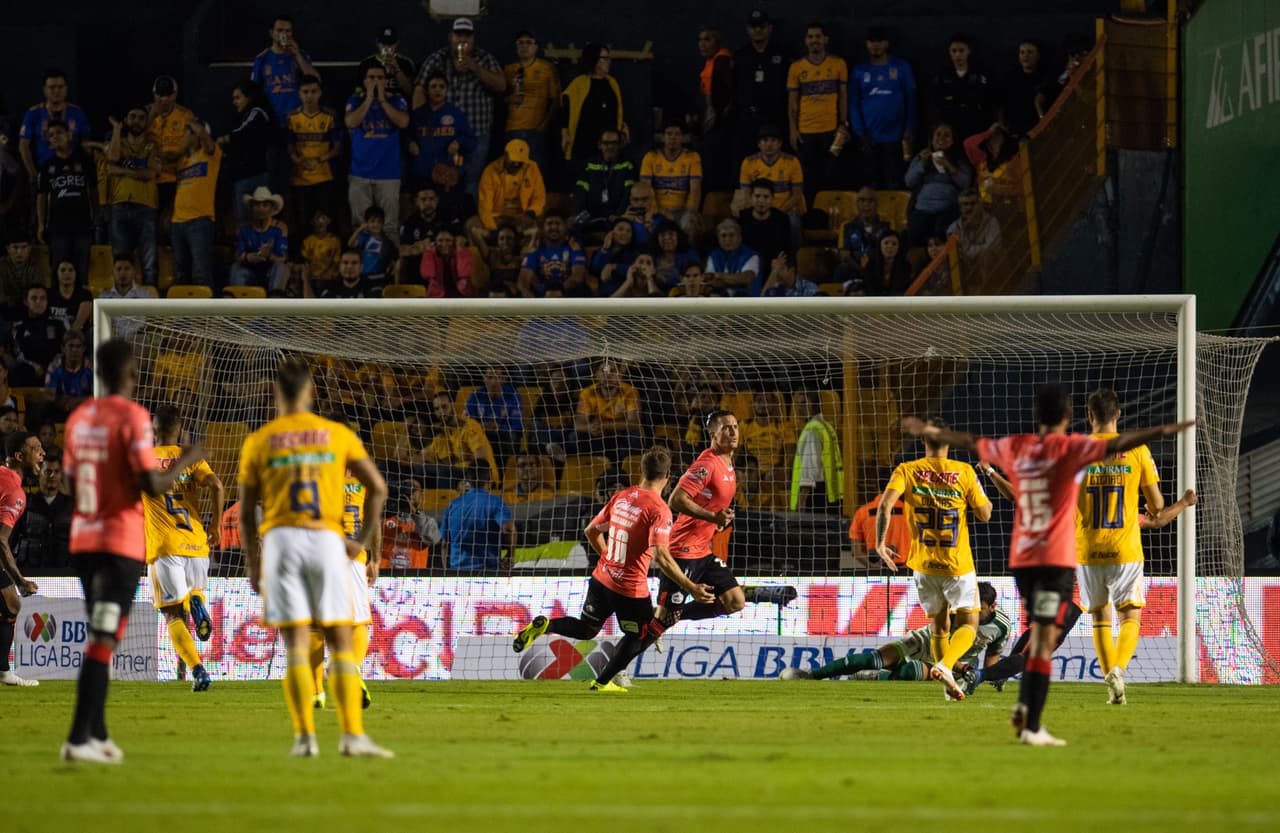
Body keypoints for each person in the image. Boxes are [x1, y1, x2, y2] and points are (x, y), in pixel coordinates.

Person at [903, 384, 1196, 745]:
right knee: (1042, 643)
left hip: (1023, 562)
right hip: (1055, 563)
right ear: (1069, 417)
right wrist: (1167, 429)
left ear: (1036, 416)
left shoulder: (1017, 446)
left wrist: (934, 433)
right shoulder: (1075, 448)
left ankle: (1025, 710)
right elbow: (1119, 445)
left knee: (1043, 633)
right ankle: (1030, 724)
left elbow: (970, 442)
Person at [60, 339, 205, 763]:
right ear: (131, 373)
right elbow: (152, 483)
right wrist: (187, 459)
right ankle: (77, 739)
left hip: (82, 543)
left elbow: (70, 484)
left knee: (103, 635)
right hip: (118, 545)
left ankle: (99, 733)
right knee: (104, 639)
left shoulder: (78, 419)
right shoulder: (133, 417)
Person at [238, 359, 389, 757]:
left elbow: (246, 510)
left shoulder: (260, 440)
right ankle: (352, 736)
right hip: (327, 539)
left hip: (282, 540)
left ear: (276, 395)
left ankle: (304, 737)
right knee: (341, 640)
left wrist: (253, 566)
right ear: (312, 393)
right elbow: (377, 487)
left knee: (297, 645)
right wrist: (359, 543)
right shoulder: (335, 436)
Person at [513, 446, 715, 691]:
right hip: (630, 590)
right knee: (640, 635)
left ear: (641, 470)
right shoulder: (659, 510)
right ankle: (602, 682)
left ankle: (547, 626)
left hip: (601, 579)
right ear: (668, 477)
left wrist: (609, 557)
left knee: (587, 629)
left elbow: (591, 532)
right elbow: (661, 556)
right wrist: (691, 586)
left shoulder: (622, 496)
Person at [588, 411, 750, 688]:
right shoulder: (706, 465)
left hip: (703, 550)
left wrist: (717, 519)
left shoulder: (729, 465)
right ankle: (617, 668)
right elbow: (676, 499)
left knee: (735, 601)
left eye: (735, 426)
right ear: (713, 435)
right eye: (726, 428)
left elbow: (708, 504)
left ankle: (663, 616)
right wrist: (713, 517)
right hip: (681, 551)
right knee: (659, 624)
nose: (733, 432)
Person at [872, 417, 996, 700]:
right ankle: (946, 664)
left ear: (922, 440)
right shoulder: (963, 472)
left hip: (924, 566)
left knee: (939, 627)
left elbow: (885, 505)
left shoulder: (908, 470)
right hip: (956, 564)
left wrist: (880, 543)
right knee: (968, 625)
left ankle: (948, 686)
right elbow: (986, 514)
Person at [1075, 387, 1170, 705]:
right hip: (1125, 548)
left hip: (1088, 549)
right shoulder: (1137, 449)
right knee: (1130, 618)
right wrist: (1151, 512)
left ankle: (1112, 688)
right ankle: (1117, 669)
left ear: (1090, 416)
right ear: (1118, 415)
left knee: (1099, 617)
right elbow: (1157, 505)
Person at [786, 582, 1013, 690]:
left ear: (992, 607)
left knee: (908, 673)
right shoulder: (956, 607)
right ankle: (811, 675)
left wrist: (993, 676)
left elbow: (993, 654)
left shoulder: (1002, 626)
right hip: (927, 641)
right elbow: (938, 633)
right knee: (872, 659)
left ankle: (872, 678)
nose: (971, 610)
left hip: (953, 661)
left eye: (978, 608)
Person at [142, 405, 223, 693]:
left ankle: (198, 670)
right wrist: (216, 526)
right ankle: (196, 600)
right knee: (192, 596)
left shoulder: (144, 459)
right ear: (180, 429)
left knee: (172, 615)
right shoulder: (189, 460)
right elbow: (216, 485)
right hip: (197, 542)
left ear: (154, 431)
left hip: (164, 545)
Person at [309, 441, 379, 710]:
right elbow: (374, 518)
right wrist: (375, 558)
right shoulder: (364, 477)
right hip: (354, 556)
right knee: (358, 623)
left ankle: (317, 693)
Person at [413, 18, 507, 197]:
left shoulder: (484, 58)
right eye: (458, 35)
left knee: (472, 181)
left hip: (477, 133)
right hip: (444, 134)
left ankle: (468, 221)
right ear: (450, 36)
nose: (462, 40)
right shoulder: (437, 58)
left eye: (467, 36)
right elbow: (419, 89)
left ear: (473, 39)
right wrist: (419, 126)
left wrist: (476, 68)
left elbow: (501, 85)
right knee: (440, 181)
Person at [346, 61, 410, 244]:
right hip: (360, 173)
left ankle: (391, 266)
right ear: (364, 80)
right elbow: (350, 122)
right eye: (372, 78)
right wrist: (368, 99)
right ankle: (361, 266)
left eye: (380, 78)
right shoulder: (355, 100)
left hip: (388, 173)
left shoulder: (397, 100)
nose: (376, 81)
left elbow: (403, 122)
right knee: (360, 224)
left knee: (389, 224)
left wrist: (382, 99)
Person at [0, 431, 45, 687]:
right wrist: (20, 580)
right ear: (19, 456)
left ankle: (3, 670)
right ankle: (3, 671)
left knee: (9, 605)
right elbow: (0, 540)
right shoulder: (14, 491)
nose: (42, 453)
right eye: (35, 449)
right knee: (12, 603)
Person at [787, 23, 848, 203]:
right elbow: (792, 103)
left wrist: (843, 124)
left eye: (818, 37)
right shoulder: (796, 67)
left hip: (831, 131)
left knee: (832, 176)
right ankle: (809, 217)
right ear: (806, 41)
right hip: (806, 131)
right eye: (811, 37)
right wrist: (793, 129)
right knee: (807, 178)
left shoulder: (838, 63)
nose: (815, 40)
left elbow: (843, 97)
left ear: (825, 40)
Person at [849, 27, 916, 190]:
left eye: (879, 41)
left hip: (895, 137)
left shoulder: (901, 67)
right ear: (867, 45)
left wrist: (909, 127)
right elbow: (853, 103)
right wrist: (860, 132)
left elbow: (911, 99)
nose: (876, 45)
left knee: (894, 183)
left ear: (886, 44)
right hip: (869, 138)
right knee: (870, 183)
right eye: (872, 42)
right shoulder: (859, 71)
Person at [105, 107, 160, 285]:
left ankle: (150, 308)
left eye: (141, 118)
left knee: (149, 263)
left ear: (146, 122)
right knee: (120, 261)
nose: (136, 121)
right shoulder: (119, 143)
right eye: (133, 117)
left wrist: (122, 171)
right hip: (119, 206)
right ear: (126, 120)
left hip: (146, 207)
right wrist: (116, 129)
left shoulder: (153, 145)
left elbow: (151, 174)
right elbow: (111, 161)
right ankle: (122, 305)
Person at [36, 120, 96, 284]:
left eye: (59, 133)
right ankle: (58, 307)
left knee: (81, 272)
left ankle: (83, 307)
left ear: (69, 135)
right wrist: (41, 224)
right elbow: (41, 196)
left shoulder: (84, 161)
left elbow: (93, 191)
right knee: (58, 271)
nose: (55, 137)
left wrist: (96, 219)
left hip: (82, 226)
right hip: (57, 228)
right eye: (51, 135)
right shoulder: (47, 166)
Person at [287, 75, 341, 249]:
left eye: (313, 91)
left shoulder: (330, 117)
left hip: (324, 177)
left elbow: (337, 148)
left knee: (328, 220)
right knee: (303, 222)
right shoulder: (291, 118)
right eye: (305, 92)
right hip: (300, 179)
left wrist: (318, 160)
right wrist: (299, 160)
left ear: (320, 93)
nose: (309, 96)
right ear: (299, 94)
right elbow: (289, 148)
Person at [732, 11, 791, 167]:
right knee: (744, 163)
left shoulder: (782, 54)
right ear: (747, 29)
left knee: (777, 163)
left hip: (775, 118)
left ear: (769, 28)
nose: (757, 30)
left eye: (761, 26)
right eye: (754, 26)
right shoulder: (740, 56)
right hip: (748, 118)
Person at [734, 125, 805, 248]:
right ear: (759, 144)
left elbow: (797, 195)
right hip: (758, 208)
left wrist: (778, 213)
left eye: (773, 141)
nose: (769, 145)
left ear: (780, 144)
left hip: (785, 209)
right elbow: (746, 193)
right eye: (765, 140)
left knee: (793, 221)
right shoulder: (748, 162)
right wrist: (759, 210)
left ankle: (793, 259)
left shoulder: (792, 162)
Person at [904, 123, 972, 247]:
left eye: (947, 135)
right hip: (922, 208)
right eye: (938, 134)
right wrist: (922, 164)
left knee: (942, 231)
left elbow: (965, 182)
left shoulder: (959, 160)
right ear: (932, 138)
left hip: (947, 209)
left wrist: (948, 165)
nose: (941, 138)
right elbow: (909, 181)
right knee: (914, 233)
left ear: (953, 141)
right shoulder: (921, 157)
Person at [438, 461, 515, 571]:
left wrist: (446, 572)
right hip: (488, 572)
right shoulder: (495, 502)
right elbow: (509, 529)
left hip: (458, 573)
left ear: (468, 481)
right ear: (490, 480)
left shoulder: (453, 505)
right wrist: (510, 555)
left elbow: (444, 543)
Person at [171, 119, 221, 287]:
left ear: (196, 135)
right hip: (177, 222)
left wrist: (193, 124)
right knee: (180, 274)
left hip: (200, 220)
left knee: (201, 273)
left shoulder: (209, 155)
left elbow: (206, 140)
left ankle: (207, 313)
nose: (182, 137)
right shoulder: (181, 162)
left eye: (186, 133)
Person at [408, 73, 476, 195]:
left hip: (448, 175)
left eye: (441, 86)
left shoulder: (456, 113)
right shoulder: (417, 115)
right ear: (427, 91)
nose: (437, 90)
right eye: (433, 87)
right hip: (423, 175)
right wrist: (410, 143)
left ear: (447, 90)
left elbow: (472, 141)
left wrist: (459, 142)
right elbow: (406, 136)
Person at [19, 70, 91, 184]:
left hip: (74, 172)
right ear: (44, 90)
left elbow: (86, 143)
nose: (56, 91)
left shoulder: (77, 113)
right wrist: (33, 174)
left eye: (60, 87)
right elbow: (23, 145)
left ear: (66, 88)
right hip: (44, 171)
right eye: (52, 87)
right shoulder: (33, 113)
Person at [503, 30, 560, 173]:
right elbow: (499, 98)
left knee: (535, 170)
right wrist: (510, 99)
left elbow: (556, 99)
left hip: (536, 129)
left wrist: (545, 124)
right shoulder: (509, 70)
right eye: (520, 43)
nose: (524, 46)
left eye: (529, 42)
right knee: (513, 171)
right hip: (513, 128)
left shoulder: (546, 68)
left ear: (536, 47)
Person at [218, 80, 275, 222]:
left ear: (249, 97)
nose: (234, 102)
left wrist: (225, 138)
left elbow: (245, 130)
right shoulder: (240, 117)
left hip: (255, 176)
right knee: (243, 221)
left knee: (259, 222)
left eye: (238, 97)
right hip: (242, 177)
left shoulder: (257, 113)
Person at [561, 44, 627, 166]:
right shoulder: (579, 83)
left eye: (609, 58)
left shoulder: (612, 83)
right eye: (604, 58)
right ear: (594, 60)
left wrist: (622, 129)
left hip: (608, 145)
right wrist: (565, 132)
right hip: (584, 143)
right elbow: (566, 109)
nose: (608, 62)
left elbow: (619, 110)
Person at [251, 15, 320, 126]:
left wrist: (297, 55)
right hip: (273, 119)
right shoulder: (262, 59)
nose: (284, 34)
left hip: (300, 118)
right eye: (279, 30)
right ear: (271, 33)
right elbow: (253, 91)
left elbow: (316, 81)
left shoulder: (301, 55)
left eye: (288, 31)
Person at [639, 121, 702, 237]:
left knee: (692, 225)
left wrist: (690, 212)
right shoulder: (650, 157)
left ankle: (688, 255)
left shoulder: (692, 157)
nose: (673, 137)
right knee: (648, 225)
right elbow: (645, 188)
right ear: (662, 137)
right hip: (657, 211)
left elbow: (695, 190)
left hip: (682, 211)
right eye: (669, 134)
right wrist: (655, 211)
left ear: (683, 138)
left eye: (677, 134)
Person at [473, 138, 546, 238]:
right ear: (505, 155)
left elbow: (539, 198)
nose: (516, 164)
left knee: (539, 228)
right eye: (514, 160)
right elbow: (485, 207)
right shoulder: (490, 171)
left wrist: (530, 213)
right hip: (497, 217)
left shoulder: (532, 168)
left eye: (520, 161)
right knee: (471, 226)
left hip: (522, 216)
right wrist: (493, 229)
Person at [147, 75, 195, 224]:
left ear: (175, 95)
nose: (164, 100)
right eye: (160, 95)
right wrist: (150, 117)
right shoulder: (145, 113)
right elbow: (136, 139)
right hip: (150, 178)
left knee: (172, 220)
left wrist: (176, 154)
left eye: (168, 95)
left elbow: (192, 143)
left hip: (176, 178)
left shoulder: (185, 115)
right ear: (154, 94)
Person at [570, 129, 635, 235]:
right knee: (574, 226)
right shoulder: (589, 165)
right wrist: (577, 214)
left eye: (614, 143)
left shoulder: (627, 165)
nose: (609, 147)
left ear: (619, 145)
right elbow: (580, 193)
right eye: (606, 143)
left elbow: (628, 194)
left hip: (616, 215)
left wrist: (618, 215)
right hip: (590, 214)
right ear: (600, 145)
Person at [929, 34, 993, 142]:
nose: (958, 55)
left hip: (975, 126)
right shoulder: (942, 76)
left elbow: (989, 101)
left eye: (961, 51)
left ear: (969, 51)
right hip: (950, 128)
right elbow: (935, 103)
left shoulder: (980, 75)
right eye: (954, 51)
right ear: (949, 53)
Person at [13, 458, 73, 571]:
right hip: (31, 570)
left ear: (61, 475)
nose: (52, 476)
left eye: (56, 471)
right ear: (39, 474)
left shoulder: (70, 505)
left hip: (64, 572)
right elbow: (12, 538)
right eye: (48, 471)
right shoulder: (26, 503)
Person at [697, 25, 735, 192]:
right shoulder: (711, 62)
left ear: (717, 42)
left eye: (707, 39)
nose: (702, 44)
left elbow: (729, 94)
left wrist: (720, 117)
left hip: (721, 127)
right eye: (700, 40)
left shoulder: (722, 62)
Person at [790, 389, 842, 512]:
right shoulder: (826, 426)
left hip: (814, 496)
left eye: (803, 403)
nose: (798, 408)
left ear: (815, 406)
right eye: (797, 404)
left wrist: (802, 499)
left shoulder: (811, 431)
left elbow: (811, 470)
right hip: (829, 494)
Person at [230, 185, 289, 290]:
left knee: (281, 268)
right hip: (250, 269)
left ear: (271, 208)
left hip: (270, 269)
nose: (260, 209)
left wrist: (268, 256)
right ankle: (237, 302)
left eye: (265, 205)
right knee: (236, 268)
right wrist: (248, 257)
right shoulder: (244, 229)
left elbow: (283, 258)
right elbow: (237, 255)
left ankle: (275, 299)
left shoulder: (279, 227)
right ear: (252, 208)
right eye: (257, 205)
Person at [516, 211, 586, 298]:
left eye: (558, 224)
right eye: (549, 224)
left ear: (565, 227)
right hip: (541, 296)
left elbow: (577, 276)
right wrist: (533, 305)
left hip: (567, 295)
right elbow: (523, 280)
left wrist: (556, 291)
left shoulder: (574, 247)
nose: (553, 227)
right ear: (543, 228)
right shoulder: (535, 250)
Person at [9, 285, 65, 386]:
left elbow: (66, 348)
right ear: (26, 302)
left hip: (55, 369)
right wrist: (32, 365)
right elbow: (17, 353)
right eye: (34, 298)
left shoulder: (58, 323)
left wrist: (54, 364)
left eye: (43, 298)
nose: (39, 302)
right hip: (29, 371)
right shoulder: (18, 327)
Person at [465, 368, 522, 462]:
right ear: (484, 378)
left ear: (504, 379)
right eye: (489, 377)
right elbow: (470, 422)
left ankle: (506, 470)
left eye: (497, 377)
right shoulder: (475, 396)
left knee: (513, 436)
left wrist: (499, 427)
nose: (493, 382)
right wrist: (480, 426)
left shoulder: (513, 396)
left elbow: (517, 427)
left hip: (504, 435)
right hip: (482, 434)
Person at [738, 179, 792, 270]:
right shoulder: (742, 218)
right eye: (757, 196)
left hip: (773, 267)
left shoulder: (782, 219)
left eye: (766, 197)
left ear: (772, 199)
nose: (761, 200)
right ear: (751, 197)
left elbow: (785, 250)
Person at [848, 491, 910, 569]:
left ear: (877, 489)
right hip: (904, 569)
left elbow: (856, 551)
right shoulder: (908, 510)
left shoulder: (862, 512)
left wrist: (872, 566)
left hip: (875, 568)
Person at [1036, 34, 1092, 119]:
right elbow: (1039, 99)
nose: (1077, 58)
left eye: (1084, 54)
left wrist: (1073, 77)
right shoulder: (1060, 73)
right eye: (1073, 54)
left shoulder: (1091, 74)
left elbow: (1088, 100)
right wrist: (1042, 117)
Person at [44, 329, 93, 420]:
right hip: (62, 407)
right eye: (71, 346)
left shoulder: (91, 367)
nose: (75, 350)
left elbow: (98, 395)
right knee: (46, 408)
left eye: (78, 346)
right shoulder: (54, 366)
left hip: (85, 407)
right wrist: (63, 403)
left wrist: (77, 401)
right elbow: (48, 394)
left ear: (84, 349)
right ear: (63, 348)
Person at [1000, 40, 1046, 136]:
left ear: (1038, 56)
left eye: (1030, 52)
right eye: (1022, 52)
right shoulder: (1010, 78)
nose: (1025, 56)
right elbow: (1001, 104)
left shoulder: (1044, 78)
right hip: (1014, 131)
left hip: (1038, 130)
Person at [347, 205, 398, 292]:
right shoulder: (364, 237)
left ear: (383, 223)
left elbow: (393, 259)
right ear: (367, 223)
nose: (376, 224)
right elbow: (350, 244)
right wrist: (359, 229)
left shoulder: (387, 242)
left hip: (379, 276)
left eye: (379, 222)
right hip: (363, 276)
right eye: (372, 221)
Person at [704, 218, 760, 296]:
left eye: (731, 235)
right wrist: (735, 280)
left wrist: (719, 275)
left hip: (746, 301)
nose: (727, 239)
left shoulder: (751, 255)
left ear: (739, 237)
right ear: (718, 239)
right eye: (723, 236)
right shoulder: (713, 255)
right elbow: (709, 280)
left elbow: (747, 278)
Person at [947, 188, 1001, 263]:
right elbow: (957, 256)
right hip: (965, 268)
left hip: (991, 265)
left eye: (973, 203)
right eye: (965, 204)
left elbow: (993, 247)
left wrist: (968, 250)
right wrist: (980, 248)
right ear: (960, 208)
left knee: (986, 255)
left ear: (980, 205)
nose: (969, 207)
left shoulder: (991, 222)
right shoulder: (953, 228)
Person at [590, 218, 640, 296]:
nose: (624, 233)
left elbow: (636, 270)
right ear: (611, 232)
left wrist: (614, 267)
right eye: (620, 229)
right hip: (604, 296)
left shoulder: (635, 253)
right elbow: (595, 269)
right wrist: (605, 249)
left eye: (628, 231)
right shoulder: (602, 251)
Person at [418, 228, 474, 298]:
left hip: (461, 294)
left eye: (448, 240)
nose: (444, 244)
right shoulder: (431, 254)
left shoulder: (463, 252)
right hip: (438, 296)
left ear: (454, 241)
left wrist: (460, 249)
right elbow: (427, 274)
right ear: (435, 243)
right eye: (440, 241)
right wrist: (428, 252)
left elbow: (464, 273)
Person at [366, 26, 417, 102]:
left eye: (390, 44)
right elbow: (360, 92)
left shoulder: (406, 63)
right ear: (377, 43)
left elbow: (410, 92)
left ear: (397, 43)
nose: (386, 48)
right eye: (383, 44)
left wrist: (397, 69)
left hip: (400, 105)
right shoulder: (367, 63)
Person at [650, 220, 699, 291]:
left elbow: (695, 276)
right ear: (656, 238)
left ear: (678, 237)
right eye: (663, 235)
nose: (667, 238)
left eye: (671, 234)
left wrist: (666, 281)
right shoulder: (651, 257)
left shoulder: (690, 255)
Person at [860, 229, 912, 296]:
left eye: (894, 244)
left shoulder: (905, 266)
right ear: (880, 246)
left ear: (898, 248)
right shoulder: (870, 265)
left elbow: (902, 290)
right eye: (886, 243)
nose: (890, 246)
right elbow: (870, 290)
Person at [304, 249, 370, 299]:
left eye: (354, 263)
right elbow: (313, 309)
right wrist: (306, 278)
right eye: (345, 263)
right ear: (339, 266)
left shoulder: (371, 288)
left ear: (361, 267)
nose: (349, 267)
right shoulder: (330, 289)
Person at [47, 261, 92, 334]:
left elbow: (78, 324)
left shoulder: (85, 294)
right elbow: (45, 323)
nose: (67, 273)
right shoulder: (48, 294)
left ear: (76, 273)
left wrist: (66, 340)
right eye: (62, 270)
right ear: (56, 273)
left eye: (71, 270)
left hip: (76, 338)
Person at [300, 209, 341, 284]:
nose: (321, 221)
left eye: (323, 218)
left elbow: (336, 261)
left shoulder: (334, 240)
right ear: (312, 222)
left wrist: (326, 275)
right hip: (313, 278)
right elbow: (305, 262)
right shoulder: (307, 241)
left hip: (330, 278)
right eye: (317, 218)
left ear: (329, 221)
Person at [1, 235, 39, 313]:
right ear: (8, 249)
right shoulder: (1, 265)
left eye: (24, 247)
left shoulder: (34, 265)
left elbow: (36, 293)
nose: (19, 252)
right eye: (15, 247)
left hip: (27, 309)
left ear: (29, 248)